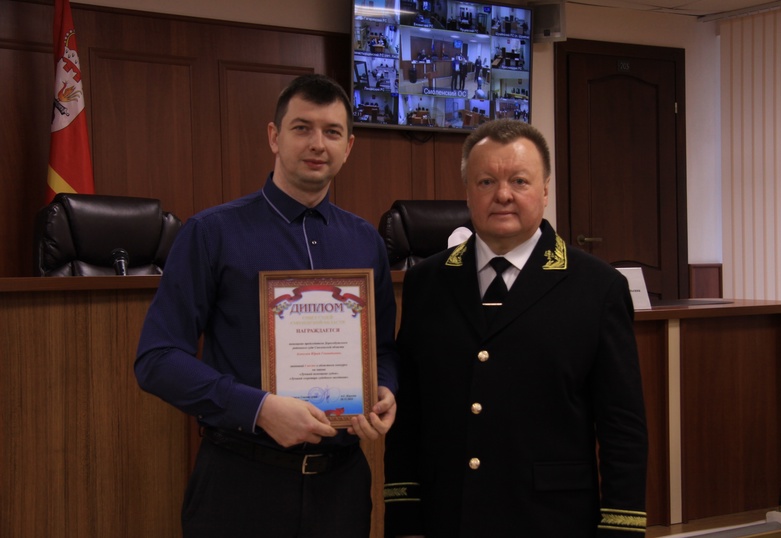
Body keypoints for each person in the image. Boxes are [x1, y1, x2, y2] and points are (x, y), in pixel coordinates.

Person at [135, 73, 398, 538]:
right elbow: (157, 359)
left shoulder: (366, 242)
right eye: (302, 128)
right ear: (274, 137)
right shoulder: (211, 233)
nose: (317, 144)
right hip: (240, 485)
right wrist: (257, 408)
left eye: (332, 132)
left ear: (349, 146)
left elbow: (383, 350)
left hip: (341, 488)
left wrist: (385, 388)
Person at [383, 119, 648, 537]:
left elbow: (622, 427)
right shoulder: (427, 283)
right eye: (486, 181)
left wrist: (621, 526)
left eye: (520, 181)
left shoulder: (597, 287)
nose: (503, 195)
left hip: (551, 520)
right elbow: (410, 416)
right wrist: (404, 517)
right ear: (468, 191)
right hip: (448, 516)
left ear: (545, 190)